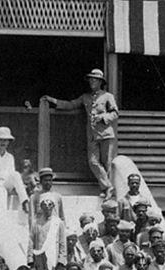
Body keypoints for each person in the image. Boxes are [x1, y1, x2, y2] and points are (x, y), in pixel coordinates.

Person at [41, 69, 119, 200]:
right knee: (93, 161)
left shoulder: (107, 96)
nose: (92, 82)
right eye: (90, 79)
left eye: (95, 79)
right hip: (92, 135)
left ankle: (106, 190)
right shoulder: (85, 97)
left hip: (106, 134)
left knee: (107, 163)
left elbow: (115, 113)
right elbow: (71, 104)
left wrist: (103, 117)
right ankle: (108, 187)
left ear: (100, 82)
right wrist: (53, 100)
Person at [0, 126, 30, 213]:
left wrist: (18, 186)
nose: (3, 142)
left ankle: (25, 202)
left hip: (5, 184)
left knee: (15, 174)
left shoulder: (10, 157)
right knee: (0, 193)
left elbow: (11, 176)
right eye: (0, 139)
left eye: (5, 140)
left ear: (9, 142)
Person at [28, 195, 67, 270]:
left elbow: (62, 243)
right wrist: (30, 260)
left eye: (50, 204)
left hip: (54, 258)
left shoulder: (58, 223)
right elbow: (31, 242)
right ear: (41, 206)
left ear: (53, 206)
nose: (47, 207)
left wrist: (61, 262)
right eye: (44, 205)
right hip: (39, 258)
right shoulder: (36, 223)